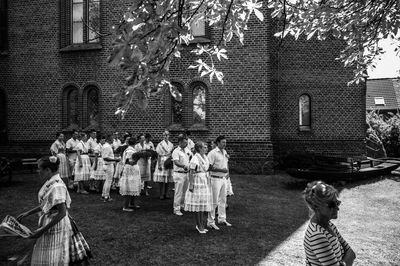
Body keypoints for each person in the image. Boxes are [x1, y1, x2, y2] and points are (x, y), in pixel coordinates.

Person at [17, 156, 73, 265]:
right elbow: (47, 204)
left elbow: (62, 213)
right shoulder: (51, 182)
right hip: (48, 222)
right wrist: (28, 213)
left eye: (40, 169)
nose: (39, 171)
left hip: (55, 225)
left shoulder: (57, 185)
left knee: (53, 255)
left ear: (48, 170)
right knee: (46, 253)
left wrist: (42, 230)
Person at [303, 181, 356, 266]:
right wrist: (346, 260)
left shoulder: (328, 225)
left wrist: (343, 263)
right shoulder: (317, 235)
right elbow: (349, 254)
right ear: (317, 206)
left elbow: (352, 253)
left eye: (337, 203)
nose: (337, 208)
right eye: (332, 205)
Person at [184, 141, 212, 233]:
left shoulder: (205, 157)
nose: (206, 148)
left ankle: (201, 225)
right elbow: (191, 172)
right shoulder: (195, 158)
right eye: (204, 147)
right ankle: (199, 225)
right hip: (197, 182)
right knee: (197, 204)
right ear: (199, 148)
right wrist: (191, 184)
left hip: (204, 181)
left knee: (202, 204)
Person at [207, 135, 232, 230]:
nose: (225, 144)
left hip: (223, 179)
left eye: (225, 142)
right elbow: (208, 167)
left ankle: (222, 219)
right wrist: (221, 170)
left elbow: (225, 164)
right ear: (218, 143)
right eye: (223, 142)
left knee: (223, 200)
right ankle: (210, 221)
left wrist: (226, 174)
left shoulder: (224, 152)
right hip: (215, 179)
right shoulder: (212, 153)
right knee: (214, 201)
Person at [172, 134, 192, 216]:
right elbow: (176, 162)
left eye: (186, 142)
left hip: (186, 173)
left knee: (185, 191)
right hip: (179, 174)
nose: (186, 144)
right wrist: (183, 166)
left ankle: (182, 205)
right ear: (180, 142)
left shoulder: (187, 150)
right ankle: (176, 208)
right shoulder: (176, 151)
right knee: (178, 192)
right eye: (184, 142)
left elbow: (191, 157)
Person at [119, 138, 141, 212]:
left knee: (133, 186)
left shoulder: (129, 149)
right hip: (130, 170)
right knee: (129, 187)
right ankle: (125, 206)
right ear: (134, 143)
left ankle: (132, 203)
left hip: (131, 170)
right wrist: (138, 158)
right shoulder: (130, 151)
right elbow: (130, 162)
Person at [153, 130, 174, 199]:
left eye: (167, 135)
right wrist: (159, 164)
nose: (165, 136)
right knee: (162, 179)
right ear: (163, 136)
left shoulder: (171, 144)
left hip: (168, 161)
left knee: (168, 178)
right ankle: (161, 194)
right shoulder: (160, 144)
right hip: (162, 161)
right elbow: (158, 155)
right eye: (164, 135)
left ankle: (166, 193)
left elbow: (171, 154)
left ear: (169, 136)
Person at [102, 134, 119, 202]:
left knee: (107, 181)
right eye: (112, 139)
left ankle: (104, 195)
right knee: (109, 181)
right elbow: (105, 157)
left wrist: (114, 158)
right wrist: (115, 160)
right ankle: (106, 196)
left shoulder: (106, 145)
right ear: (109, 139)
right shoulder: (107, 147)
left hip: (107, 164)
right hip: (108, 165)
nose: (113, 140)